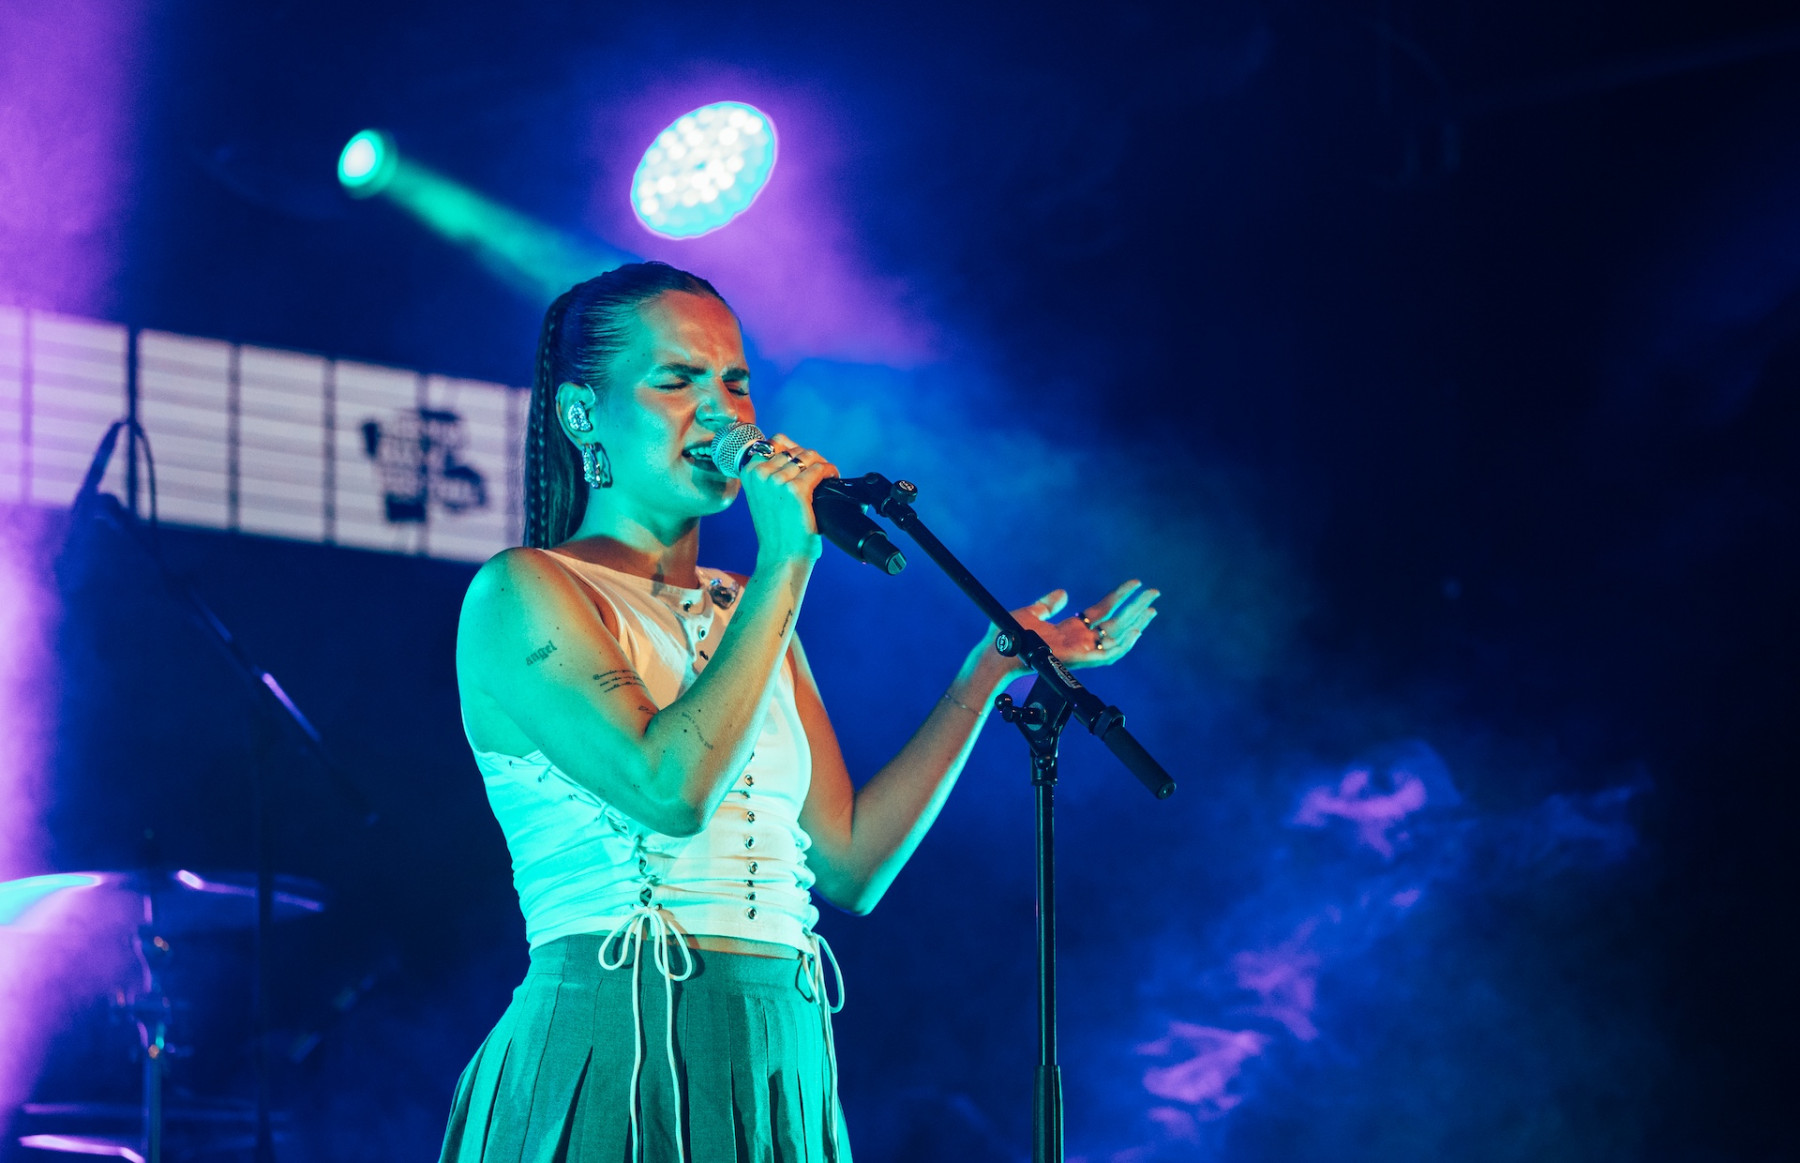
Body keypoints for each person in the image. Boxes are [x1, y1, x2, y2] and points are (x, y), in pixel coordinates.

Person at [439, 261, 1159, 1162]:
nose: (721, 412)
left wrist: (986, 676)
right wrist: (789, 560)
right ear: (583, 413)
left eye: (736, 382)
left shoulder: (751, 606)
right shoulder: (523, 591)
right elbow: (668, 790)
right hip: (618, 1026)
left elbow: (851, 863)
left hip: (780, 1035)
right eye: (678, 380)